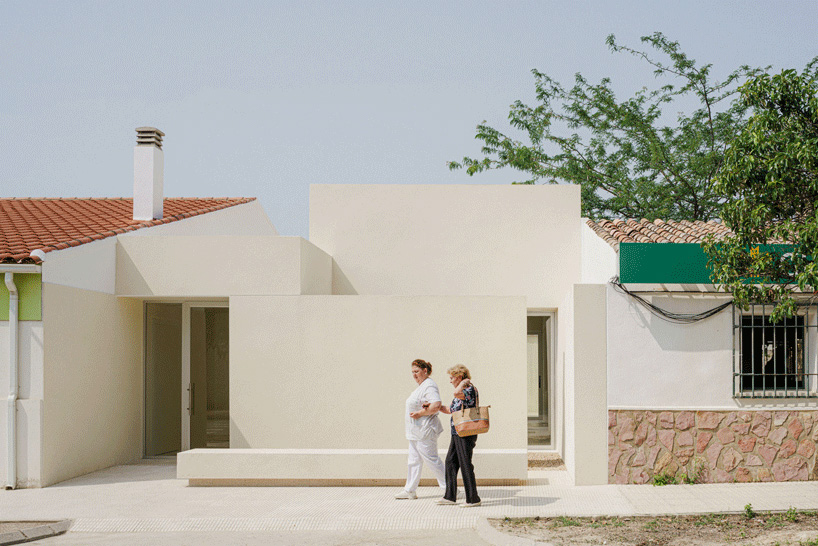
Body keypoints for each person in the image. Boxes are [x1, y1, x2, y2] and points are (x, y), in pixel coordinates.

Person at [395, 359, 446, 500]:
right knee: (413, 461)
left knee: (432, 460)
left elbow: (436, 405)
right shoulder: (421, 386)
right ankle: (410, 490)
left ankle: (450, 488)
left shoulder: (429, 385)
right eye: (412, 372)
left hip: (425, 431)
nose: (414, 375)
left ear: (425, 371)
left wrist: (420, 414)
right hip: (415, 433)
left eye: (417, 371)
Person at [437, 364, 481, 507]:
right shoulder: (461, 392)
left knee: (465, 463)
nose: (450, 381)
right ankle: (450, 496)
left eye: (452, 378)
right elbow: (451, 409)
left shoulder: (469, 389)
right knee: (450, 461)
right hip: (456, 432)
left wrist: (462, 383)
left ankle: (473, 499)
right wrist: (435, 407)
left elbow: (456, 393)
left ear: (459, 377)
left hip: (465, 433)